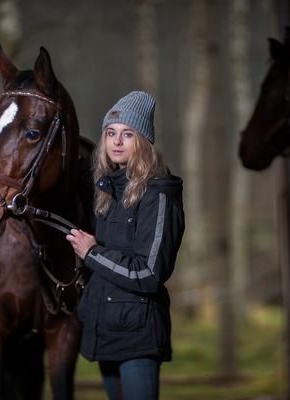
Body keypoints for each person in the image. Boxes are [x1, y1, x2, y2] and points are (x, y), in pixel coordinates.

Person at [66, 91, 185, 400]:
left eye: (127, 134)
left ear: (142, 141)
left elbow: (149, 273)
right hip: (106, 332)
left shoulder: (158, 195)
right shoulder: (107, 191)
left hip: (138, 336)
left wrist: (92, 253)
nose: (117, 141)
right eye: (110, 133)